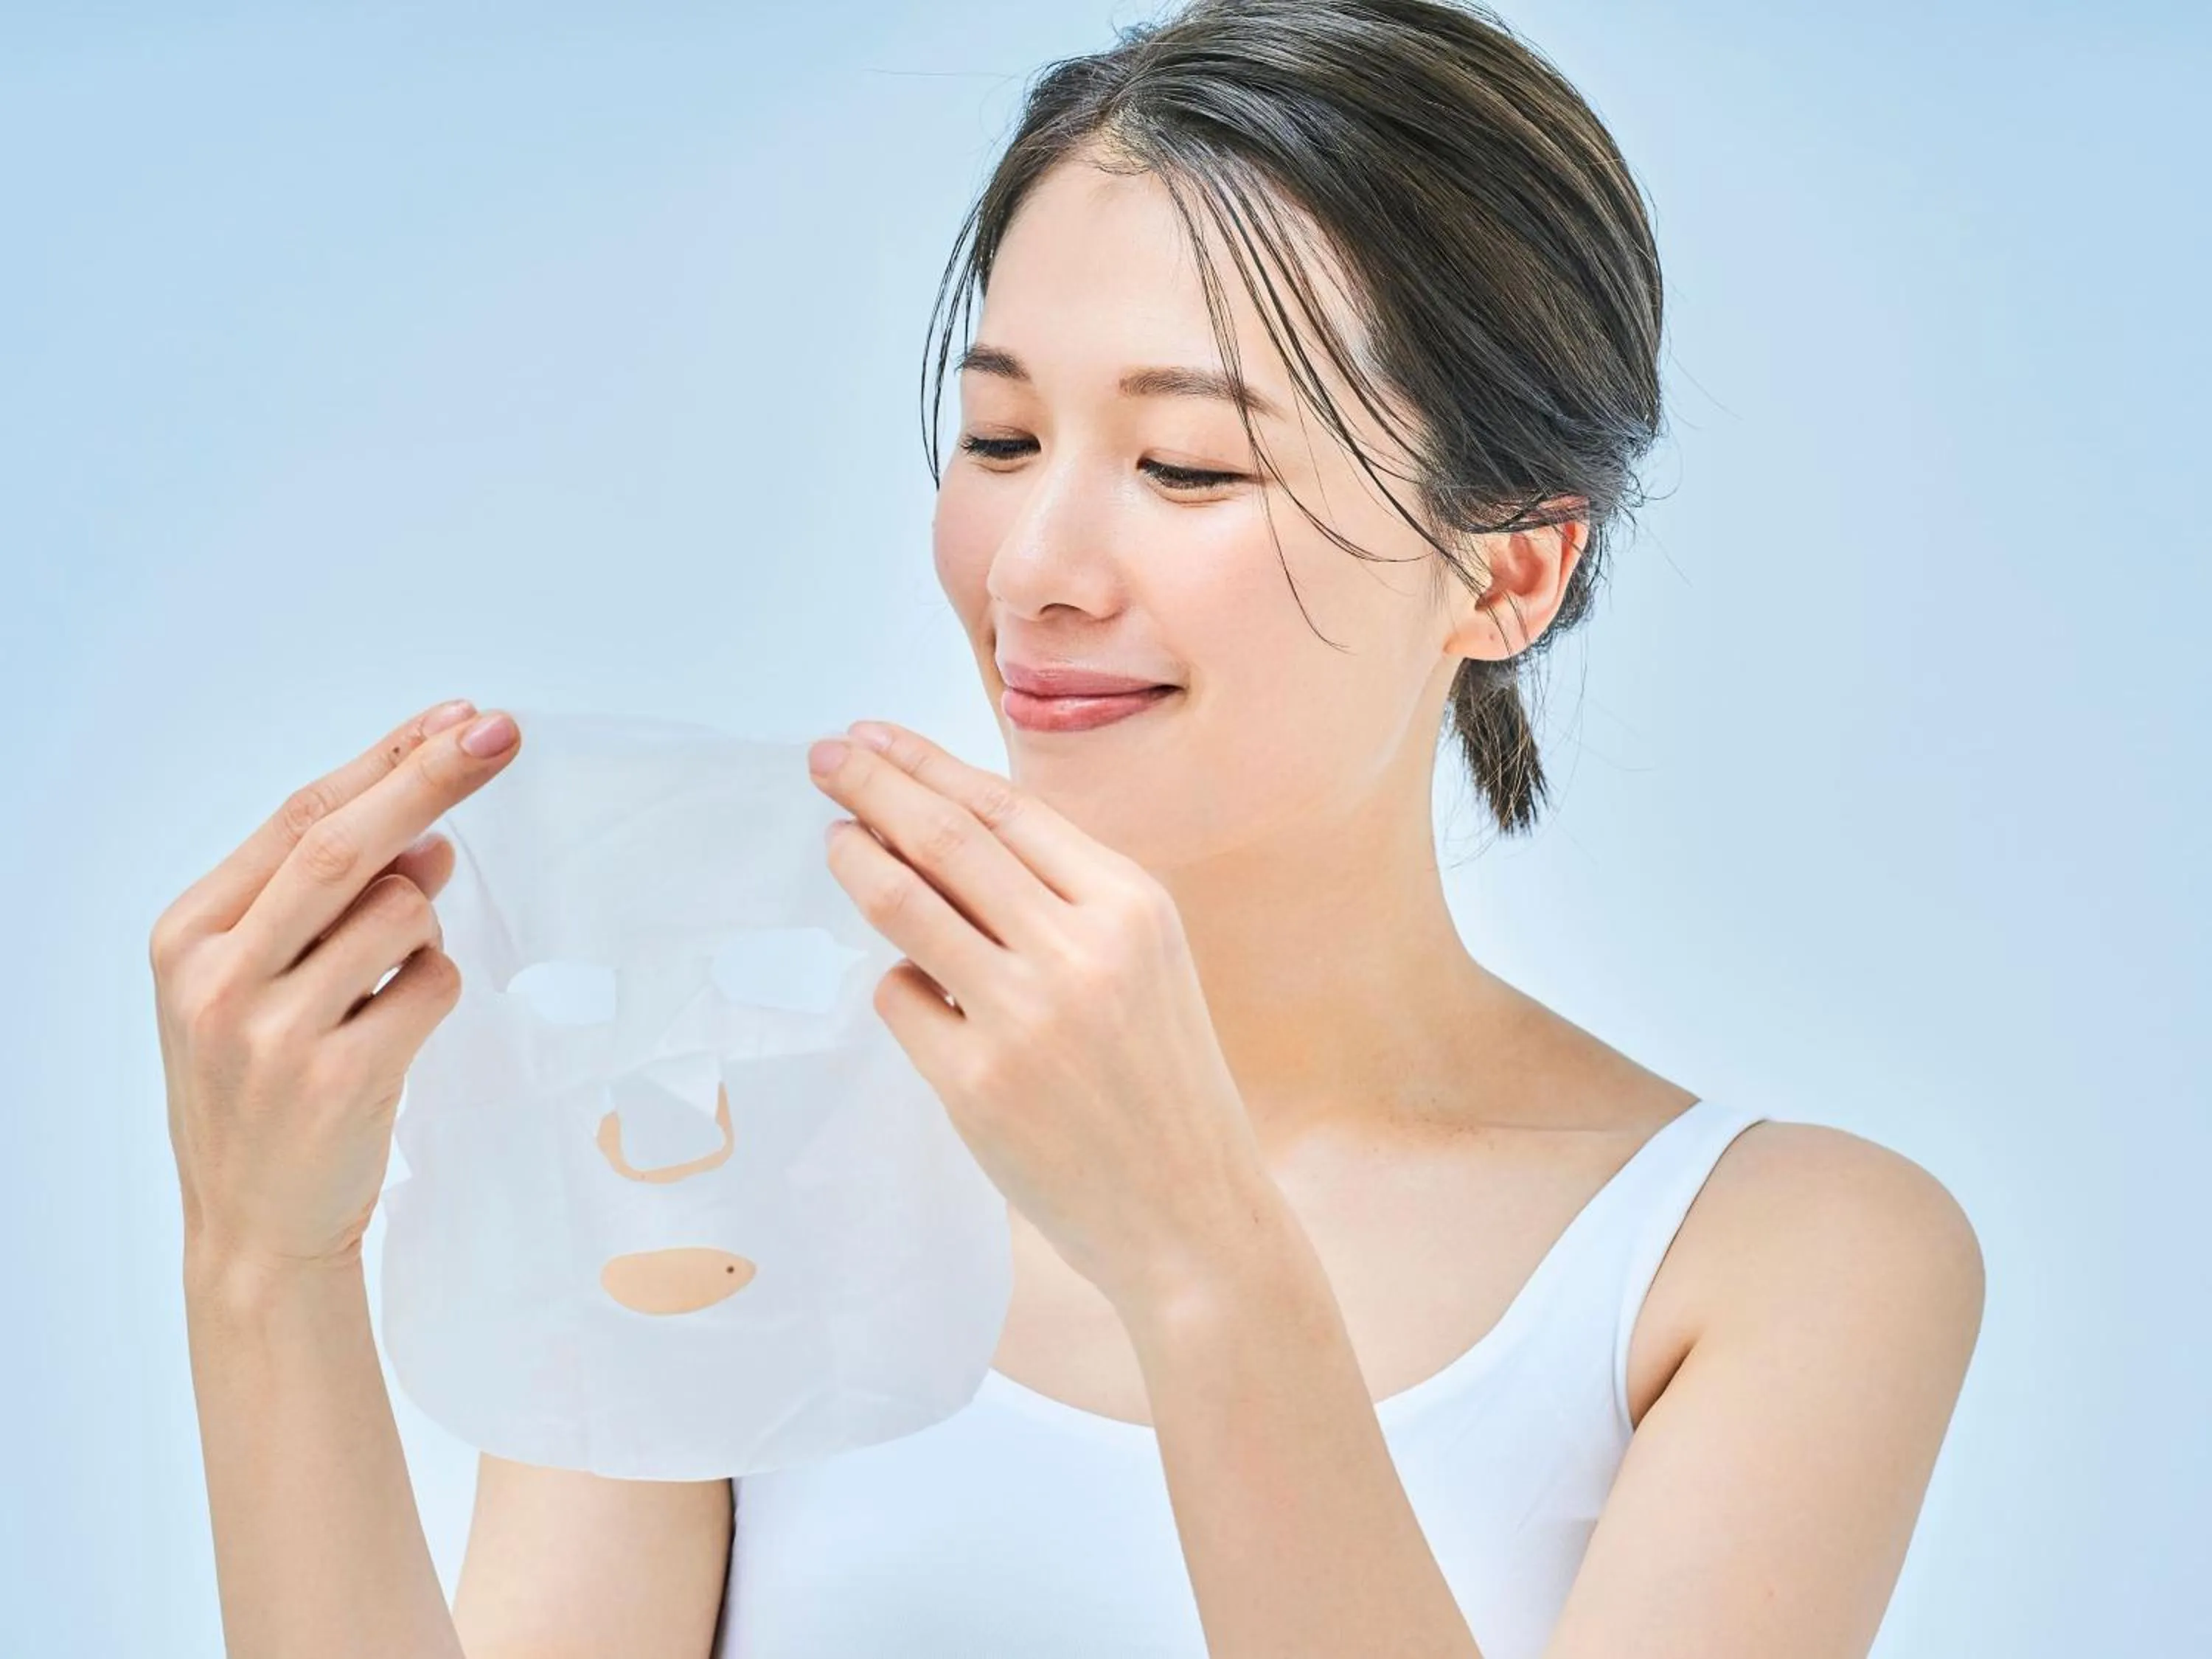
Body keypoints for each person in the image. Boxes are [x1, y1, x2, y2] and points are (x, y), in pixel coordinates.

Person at [150, 1, 1985, 1655]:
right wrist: (261, 1264)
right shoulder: (731, 1112)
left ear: (1506, 570)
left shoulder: (1780, 1264)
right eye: (1003, 440)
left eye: (1187, 465)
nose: (1032, 573)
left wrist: (1197, 1254)